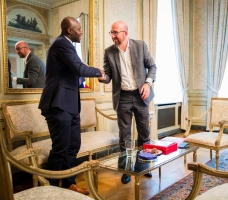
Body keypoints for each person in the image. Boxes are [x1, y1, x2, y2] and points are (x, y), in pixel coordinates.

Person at [38, 16, 105, 195]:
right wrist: (99, 71)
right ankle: (51, 189)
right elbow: (79, 69)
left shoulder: (67, 45)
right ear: (70, 30)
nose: (81, 32)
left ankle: (68, 184)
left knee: (73, 145)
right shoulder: (61, 44)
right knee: (61, 148)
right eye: (79, 29)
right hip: (57, 103)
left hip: (69, 104)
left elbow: (76, 69)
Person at [99, 21, 157, 184]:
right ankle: (126, 169)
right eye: (111, 32)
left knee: (144, 134)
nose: (113, 36)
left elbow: (152, 67)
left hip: (141, 95)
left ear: (125, 32)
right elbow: (109, 75)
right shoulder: (109, 52)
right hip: (122, 96)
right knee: (124, 136)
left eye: (116, 32)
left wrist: (148, 83)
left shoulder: (140, 46)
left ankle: (144, 165)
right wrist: (103, 77)